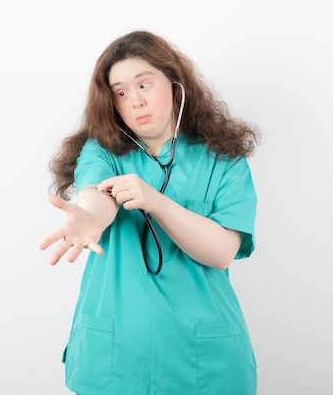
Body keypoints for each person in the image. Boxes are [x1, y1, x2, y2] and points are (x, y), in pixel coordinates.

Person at [38, 29, 260, 395]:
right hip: (116, 357)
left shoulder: (224, 160)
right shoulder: (102, 151)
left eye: (144, 84)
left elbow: (222, 253)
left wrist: (154, 201)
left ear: (175, 85)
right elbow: (98, 196)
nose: (135, 101)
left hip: (204, 358)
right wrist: (89, 219)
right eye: (121, 92)